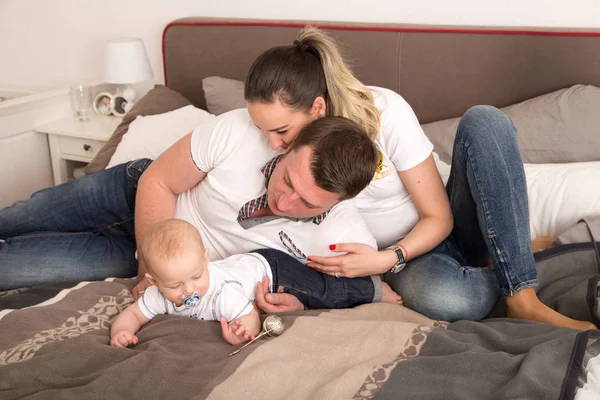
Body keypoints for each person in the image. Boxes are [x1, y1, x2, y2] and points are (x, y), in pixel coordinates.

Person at [246, 27, 595, 331]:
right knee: (445, 299)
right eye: (264, 131)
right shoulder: (284, 165)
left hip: (449, 226)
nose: (273, 143)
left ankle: (522, 296)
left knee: (486, 121)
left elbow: (439, 217)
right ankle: (507, 258)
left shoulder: (384, 112)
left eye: (281, 130)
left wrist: (387, 259)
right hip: (413, 265)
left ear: (318, 109)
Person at [0, 115, 380, 296]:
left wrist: (300, 304)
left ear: (339, 203)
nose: (285, 200)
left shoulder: (344, 235)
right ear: (288, 146)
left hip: (163, 261)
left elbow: (359, 289)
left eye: (307, 204)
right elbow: (159, 181)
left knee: (12, 268)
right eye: (287, 180)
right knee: (17, 217)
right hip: (136, 195)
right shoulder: (240, 132)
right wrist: (150, 268)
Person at [110, 219, 402, 348]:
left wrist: (243, 330)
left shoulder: (220, 291)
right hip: (246, 265)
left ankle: (373, 288)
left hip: (271, 270)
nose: (189, 290)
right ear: (154, 281)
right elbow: (134, 313)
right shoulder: (156, 295)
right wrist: (122, 332)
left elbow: (248, 314)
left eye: (197, 276)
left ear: (206, 259)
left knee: (322, 292)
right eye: (175, 285)